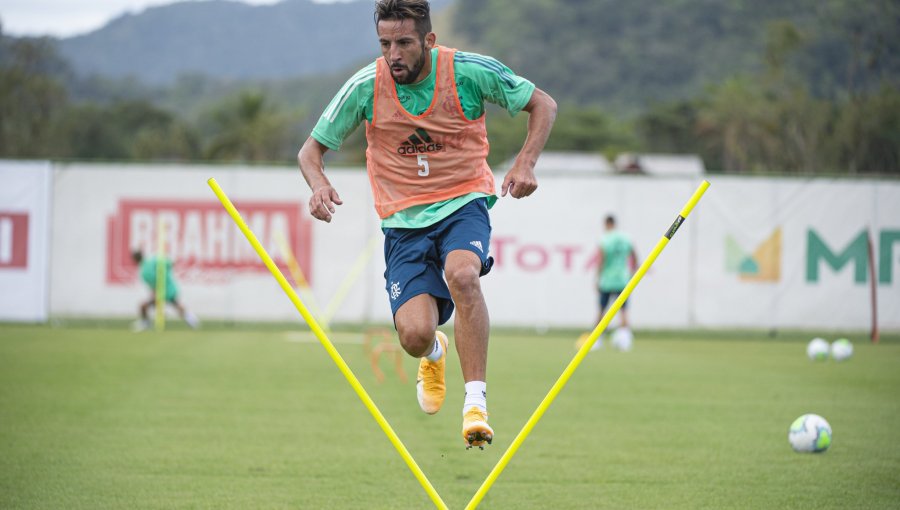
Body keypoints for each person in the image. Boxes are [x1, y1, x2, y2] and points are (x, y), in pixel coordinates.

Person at [297, 0, 556, 449]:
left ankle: (475, 403)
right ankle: (434, 353)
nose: (392, 53)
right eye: (384, 43)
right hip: (402, 224)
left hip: (463, 202)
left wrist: (526, 163)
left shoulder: (468, 72)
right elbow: (310, 152)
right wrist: (318, 185)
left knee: (462, 274)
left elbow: (543, 104)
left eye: (403, 43)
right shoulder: (366, 85)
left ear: (428, 41)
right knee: (414, 335)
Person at [594, 215, 638, 350]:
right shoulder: (626, 238)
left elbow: (601, 260)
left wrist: (597, 277)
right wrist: (631, 273)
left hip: (607, 279)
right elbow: (635, 258)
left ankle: (597, 340)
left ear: (607, 224)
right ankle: (625, 341)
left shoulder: (605, 239)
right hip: (622, 279)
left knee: (602, 310)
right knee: (624, 310)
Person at [131, 250, 199, 331]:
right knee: (175, 303)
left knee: (146, 306)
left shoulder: (144, 271)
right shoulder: (153, 261)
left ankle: (146, 322)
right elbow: (170, 263)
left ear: (135, 259)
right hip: (169, 288)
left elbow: (153, 286)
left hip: (165, 289)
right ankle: (190, 318)